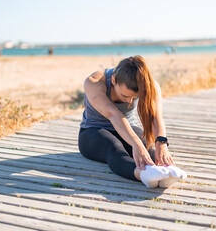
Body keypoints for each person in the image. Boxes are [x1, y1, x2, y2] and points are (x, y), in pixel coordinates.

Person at [78, 55, 187, 188]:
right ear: (113, 80)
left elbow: (155, 116)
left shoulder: (150, 85)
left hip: (128, 126)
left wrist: (161, 143)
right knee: (115, 148)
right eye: (124, 95)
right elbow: (113, 114)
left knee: (150, 149)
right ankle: (142, 175)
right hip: (93, 131)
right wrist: (136, 145)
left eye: (135, 97)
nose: (129, 101)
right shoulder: (94, 82)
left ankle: (166, 173)